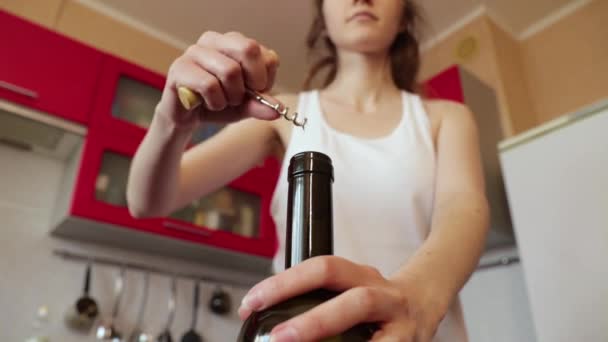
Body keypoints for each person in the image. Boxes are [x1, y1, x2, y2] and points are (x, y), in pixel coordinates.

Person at [127, 0, 489, 340]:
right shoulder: (280, 114)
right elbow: (147, 201)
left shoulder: (446, 117)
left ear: (403, 17)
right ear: (323, 20)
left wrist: (415, 300)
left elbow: (463, 210)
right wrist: (171, 121)